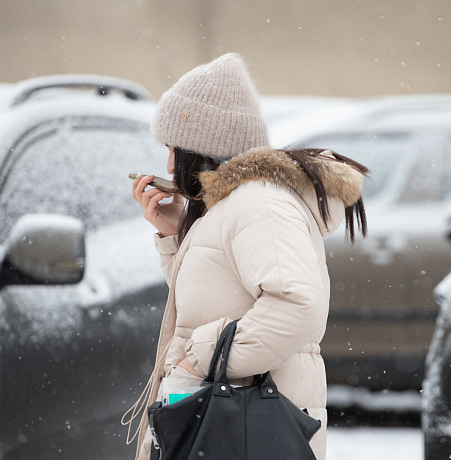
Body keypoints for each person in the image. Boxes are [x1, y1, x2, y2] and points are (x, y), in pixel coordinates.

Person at [122, 53, 368, 460]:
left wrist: (199, 357)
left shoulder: (258, 204)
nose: (167, 163)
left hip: (243, 425)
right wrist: (173, 235)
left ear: (201, 147)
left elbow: (296, 305)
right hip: (232, 423)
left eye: (173, 148)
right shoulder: (234, 205)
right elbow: (216, 298)